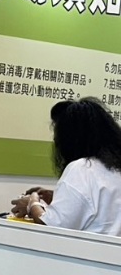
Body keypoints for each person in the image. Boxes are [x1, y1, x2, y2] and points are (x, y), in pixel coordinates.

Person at [11, 98, 121, 235]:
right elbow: (98, 207)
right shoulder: (114, 167)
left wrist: (32, 202)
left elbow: (51, 226)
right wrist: (59, 196)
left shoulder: (82, 168)